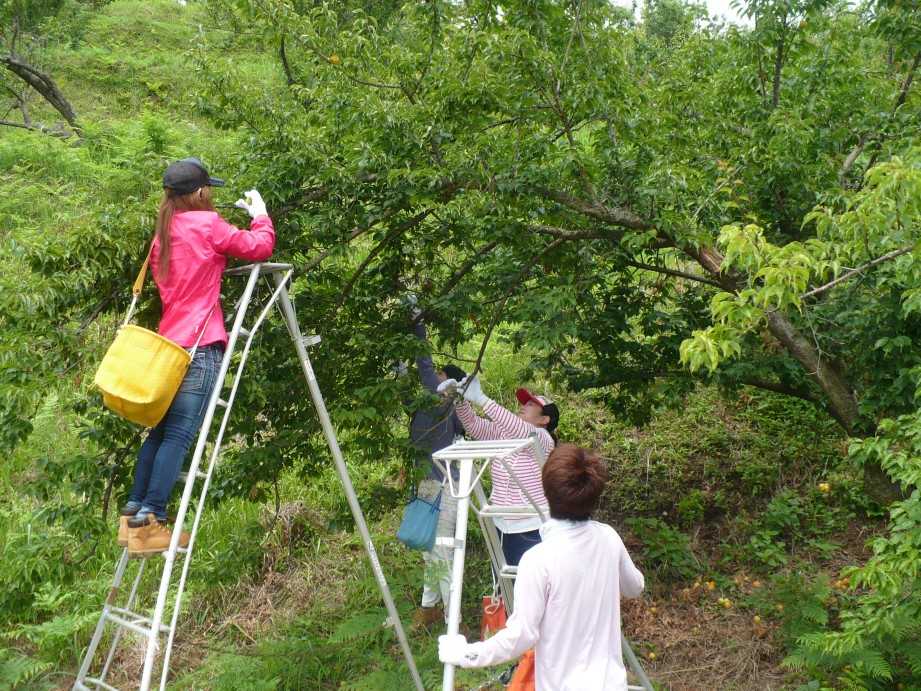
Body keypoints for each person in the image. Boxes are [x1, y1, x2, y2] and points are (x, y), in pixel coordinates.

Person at [118, 157, 276, 558]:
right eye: (208, 189)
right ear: (199, 192)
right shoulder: (207, 225)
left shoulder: (162, 235)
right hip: (200, 346)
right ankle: (153, 519)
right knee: (179, 435)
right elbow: (260, 248)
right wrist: (261, 217)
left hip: (168, 347)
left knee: (159, 432)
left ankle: (134, 513)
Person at [438, 444, 645, 690]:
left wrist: (465, 654)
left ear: (546, 490)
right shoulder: (608, 537)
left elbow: (521, 635)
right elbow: (635, 587)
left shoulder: (539, 559)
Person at [438, 375, 559, 566]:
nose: (524, 406)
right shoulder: (505, 433)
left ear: (544, 419)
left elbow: (520, 430)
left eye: (531, 405)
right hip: (500, 525)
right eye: (524, 403)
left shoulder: (543, 439)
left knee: (528, 587)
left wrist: (481, 399)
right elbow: (474, 426)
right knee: (503, 588)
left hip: (531, 527)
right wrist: (459, 400)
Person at [406, 319, 468, 630]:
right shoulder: (429, 407)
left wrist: (419, 324)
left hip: (444, 488)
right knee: (433, 554)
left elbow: (424, 364)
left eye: (440, 376)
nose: (434, 378)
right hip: (434, 485)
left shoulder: (443, 401)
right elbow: (405, 391)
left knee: (440, 554)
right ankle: (429, 609)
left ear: (448, 385)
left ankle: (454, 622)